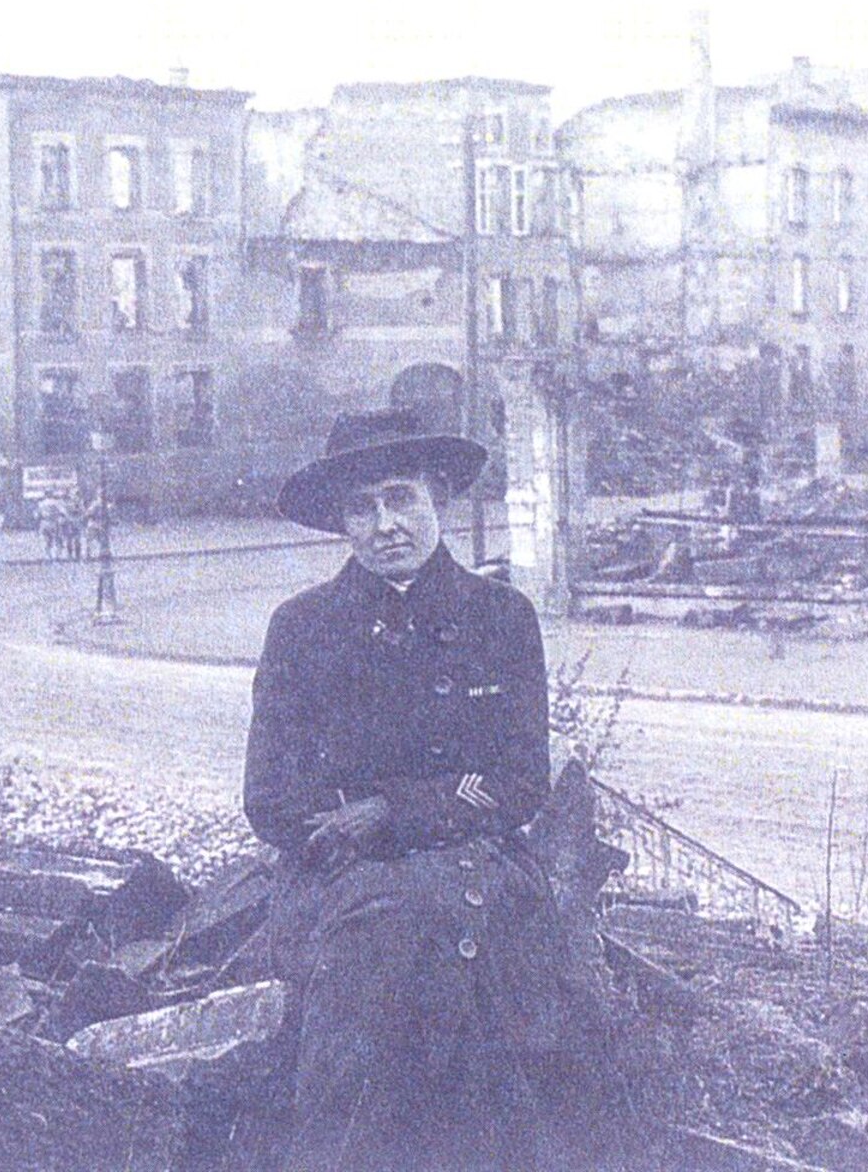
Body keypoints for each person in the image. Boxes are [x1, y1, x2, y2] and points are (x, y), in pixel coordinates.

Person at [242, 410, 625, 1172]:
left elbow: (520, 783)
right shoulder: (303, 629)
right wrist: (349, 833)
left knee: (518, 1013)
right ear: (342, 524)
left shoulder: (500, 619)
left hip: (477, 862)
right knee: (373, 974)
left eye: (401, 497)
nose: (386, 525)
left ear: (438, 498)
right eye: (362, 508)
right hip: (341, 878)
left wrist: (396, 812)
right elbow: (270, 796)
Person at [36, 493, 64, 560]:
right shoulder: (57, 503)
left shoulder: (41, 503)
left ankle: (48, 555)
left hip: (44, 522)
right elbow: (62, 512)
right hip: (54, 522)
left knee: (46, 540)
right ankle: (56, 555)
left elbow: (37, 515)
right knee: (57, 539)